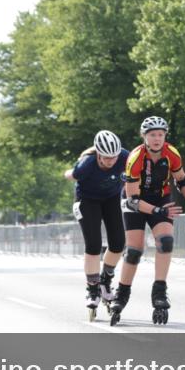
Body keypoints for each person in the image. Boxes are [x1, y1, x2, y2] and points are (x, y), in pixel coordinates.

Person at [109, 116, 185, 326]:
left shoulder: (172, 153)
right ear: (144, 137)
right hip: (135, 202)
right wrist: (156, 210)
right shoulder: (135, 157)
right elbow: (133, 200)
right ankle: (121, 294)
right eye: (152, 135)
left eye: (161, 134)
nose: (157, 138)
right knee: (134, 251)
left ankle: (159, 290)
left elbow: (181, 179)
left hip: (160, 198)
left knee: (166, 241)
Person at [63, 130, 129, 322]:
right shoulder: (87, 164)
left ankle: (105, 280)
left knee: (118, 243)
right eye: (106, 158)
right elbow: (71, 174)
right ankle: (92, 288)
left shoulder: (125, 157)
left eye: (114, 157)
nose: (111, 161)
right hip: (87, 200)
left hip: (111, 198)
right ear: (98, 154)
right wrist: (70, 173)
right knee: (93, 244)